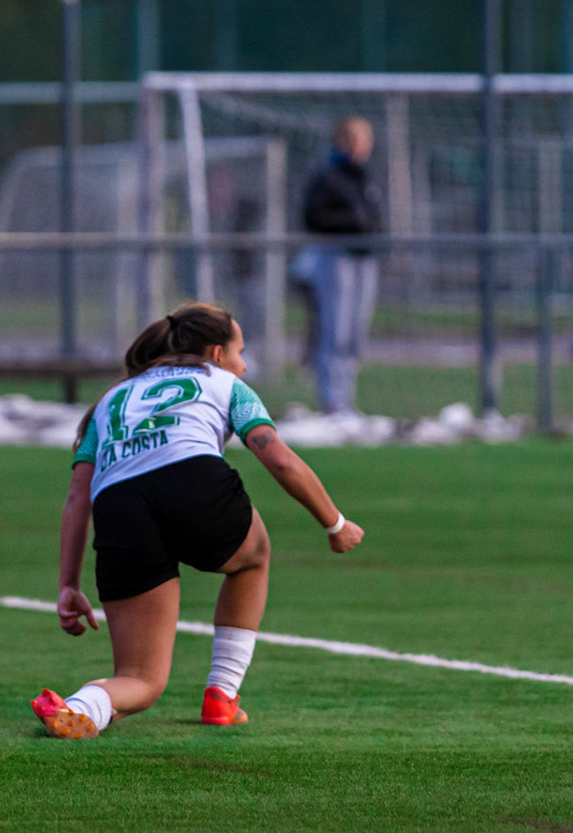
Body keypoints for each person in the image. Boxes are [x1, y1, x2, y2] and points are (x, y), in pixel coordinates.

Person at [34, 302, 365, 740]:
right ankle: (222, 696)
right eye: (240, 350)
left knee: (142, 679)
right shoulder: (225, 383)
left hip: (118, 505)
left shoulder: (113, 397)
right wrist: (334, 523)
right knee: (254, 556)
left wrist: (68, 585)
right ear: (215, 353)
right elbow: (279, 459)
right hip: (192, 478)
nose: (243, 363)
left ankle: (83, 705)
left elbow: (78, 495)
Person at [301, 117, 383, 412]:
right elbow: (312, 217)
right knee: (336, 330)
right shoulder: (328, 175)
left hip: (365, 258)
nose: (359, 146)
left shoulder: (366, 177)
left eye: (364, 140)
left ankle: (346, 398)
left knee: (356, 333)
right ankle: (333, 400)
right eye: (353, 139)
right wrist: (351, 223)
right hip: (337, 257)